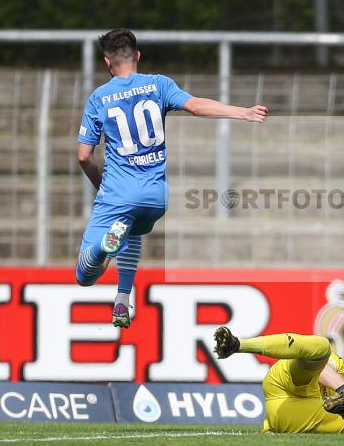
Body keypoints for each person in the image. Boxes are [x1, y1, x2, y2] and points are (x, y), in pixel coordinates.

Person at [75, 29, 268, 327]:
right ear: (137, 56)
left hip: (117, 193)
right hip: (155, 197)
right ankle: (123, 299)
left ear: (106, 62)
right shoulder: (159, 85)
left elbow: (84, 156)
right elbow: (195, 106)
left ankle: (104, 247)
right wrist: (242, 112)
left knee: (85, 275)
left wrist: (101, 186)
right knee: (133, 229)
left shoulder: (99, 98)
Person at [212, 326, 344, 434]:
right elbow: (322, 367)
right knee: (321, 347)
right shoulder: (338, 366)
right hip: (287, 383)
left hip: (286, 415)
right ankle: (237, 345)